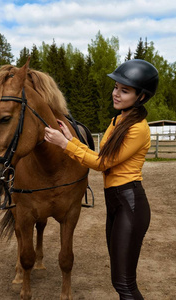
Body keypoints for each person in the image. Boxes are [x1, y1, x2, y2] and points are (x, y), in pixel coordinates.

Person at [44, 59, 159, 300]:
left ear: (141, 97)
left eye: (124, 90)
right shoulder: (118, 121)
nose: (116, 94)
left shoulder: (138, 128)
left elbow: (101, 164)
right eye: (116, 87)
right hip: (117, 202)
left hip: (130, 203)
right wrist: (71, 138)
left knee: (125, 284)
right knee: (119, 282)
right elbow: (101, 155)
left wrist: (64, 145)